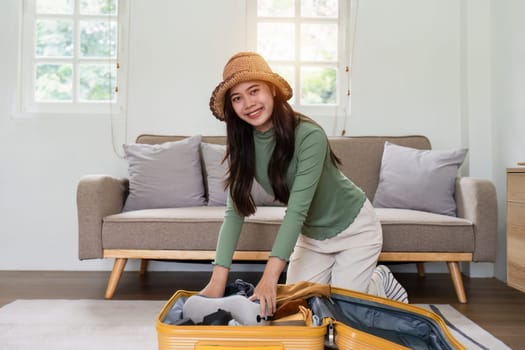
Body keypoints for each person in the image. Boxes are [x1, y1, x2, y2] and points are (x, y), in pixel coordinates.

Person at [200, 52, 408, 317]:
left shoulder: (309, 135)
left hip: (355, 230)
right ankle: (343, 285)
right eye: (237, 98)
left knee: (345, 317)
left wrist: (269, 278)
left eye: (254, 91)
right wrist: (218, 281)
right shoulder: (244, 144)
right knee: (298, 313)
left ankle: (379, 283)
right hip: (312, 238)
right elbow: (234, 212)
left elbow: (296, 211)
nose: (248, 103)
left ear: (272, 91)